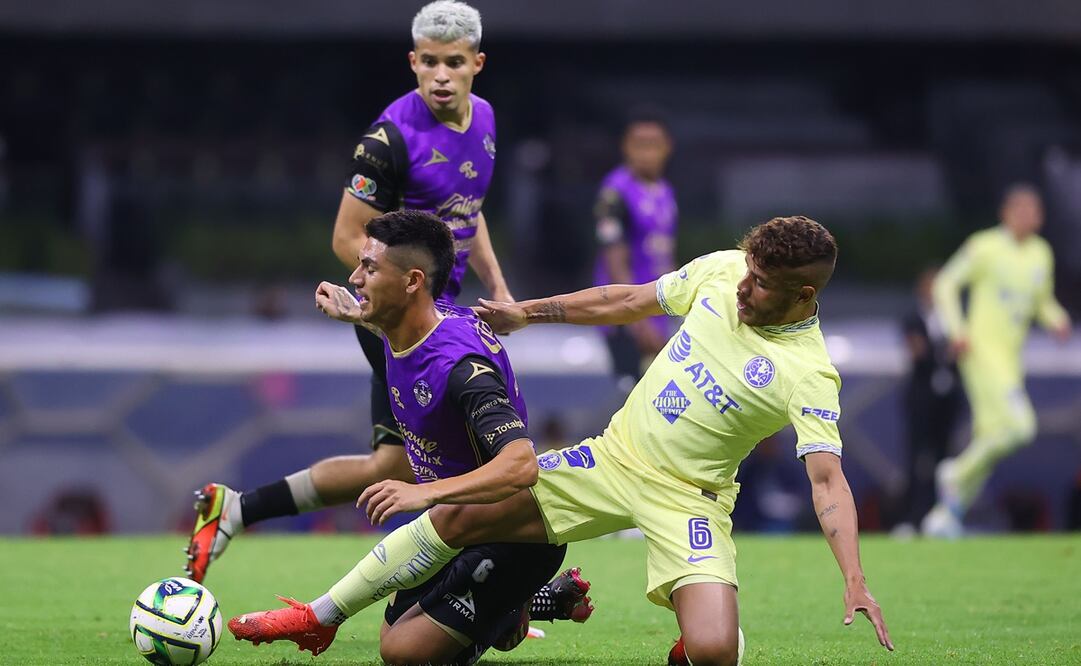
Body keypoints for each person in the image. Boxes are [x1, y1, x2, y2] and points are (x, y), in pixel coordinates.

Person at [229, 216, 894, 666]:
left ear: (802, 294)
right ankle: (318, 615)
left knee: (716, 652)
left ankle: (689, 638)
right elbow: (626, 300)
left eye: (761, 285)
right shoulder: (722, 271)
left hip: (690, 499)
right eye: (745, 272)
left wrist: (855, 580)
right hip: (609, 459)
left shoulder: (808, 370)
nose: (742, 288)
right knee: (457, 514)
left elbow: (826, 479)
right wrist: (530, 312)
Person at [186, 0, 515, 583]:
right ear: (413, 62)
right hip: (403, 318)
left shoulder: (485, 119)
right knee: (449, 454)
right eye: (431, 63)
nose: (442, 75)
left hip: (439, 313)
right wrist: (395, 306)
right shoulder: (387, 140)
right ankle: (477, 591)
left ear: (478, 64)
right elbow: (346, 238)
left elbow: (468, 214)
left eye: (455, 63)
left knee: (392, 463)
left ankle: (235, 509)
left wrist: (501, 288)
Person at [228, 210, 591, 664]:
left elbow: (521, 464)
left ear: (412, 281)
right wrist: (356, 317)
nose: (355, 278)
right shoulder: (407, 326)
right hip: (452, 525)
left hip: (511, 533)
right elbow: (397, 329)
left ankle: (516, 592)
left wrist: (424, 493)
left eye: (370, 268)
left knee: (402, 652)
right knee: (408, 628)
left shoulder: (462, 369)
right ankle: (530, 604)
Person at [922, 184, 1072, 538]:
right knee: (1021, 427)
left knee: (990, 440)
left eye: (1034, 210)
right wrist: (957, 329)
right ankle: (955, 473)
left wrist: (1057, 319)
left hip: (1010, 358)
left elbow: (1041, 301)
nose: (1028, 216)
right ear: (1005, 213)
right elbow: (944, 284)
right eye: (1020, 209)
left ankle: (944, 518)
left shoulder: (1041, 253)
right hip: (980, 351)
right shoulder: (984, 246)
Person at [593, 109, 677, 389]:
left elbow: (665, 253)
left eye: (653, 144)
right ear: (626, 147)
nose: (646, 152)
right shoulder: (615, 192)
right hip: (624, 312)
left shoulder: (665, 191)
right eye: (639, 144)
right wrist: (637, 319)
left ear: (667, 147)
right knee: (633, 393)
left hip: (656, 308)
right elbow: (614, 256)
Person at [891, 267, 962, 536]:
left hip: (948, 398)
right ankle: (911, 518)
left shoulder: (954, 319)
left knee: (945, 460)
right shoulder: (913, 317)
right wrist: (944, 352)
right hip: (921, 398)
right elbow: (918, 351)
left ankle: (941, 517)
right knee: (916, 460)